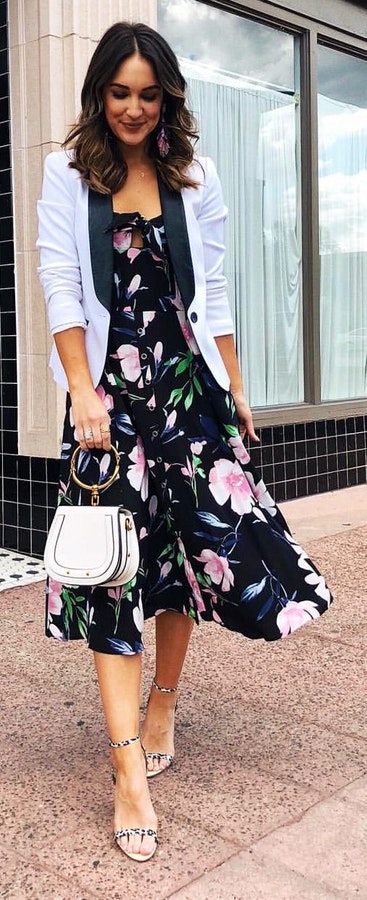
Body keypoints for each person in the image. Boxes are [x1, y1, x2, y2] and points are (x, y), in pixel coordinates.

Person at [37, 21, 332, 863]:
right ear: (100, 92)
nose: (133, 108)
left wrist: (235, 388)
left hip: (186, 394)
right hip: (108, 404)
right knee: (112, 574)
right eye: (119, 91)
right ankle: (126, 768)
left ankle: (163, 700)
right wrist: (80, 392)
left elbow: (217, 295)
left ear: (167, 98)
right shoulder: (67, 173)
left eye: (148, 93)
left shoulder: (191, 177)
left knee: (186, 557)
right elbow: (60, 281)